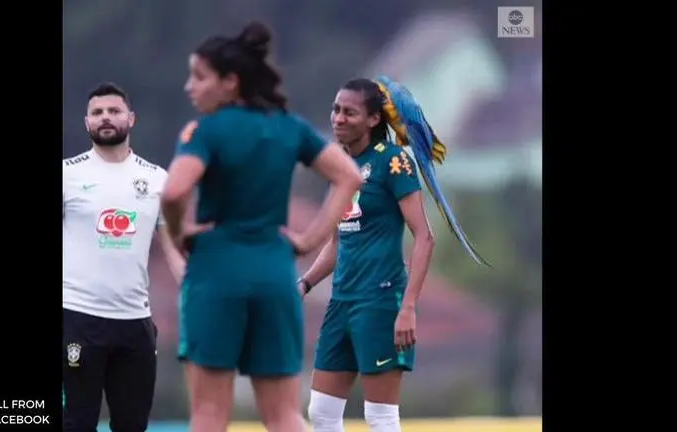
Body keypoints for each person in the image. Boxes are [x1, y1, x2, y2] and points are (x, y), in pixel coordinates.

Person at [160, 21, 364, 432]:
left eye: (199, 77)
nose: (190, 87)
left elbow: (174, 191)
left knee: (210, 414)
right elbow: (349, 177)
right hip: (274, 271)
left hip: (216, 272)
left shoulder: (206, 130)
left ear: (230, 82)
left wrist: (181, 233)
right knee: (285, 415)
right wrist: (309, 239)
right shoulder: (289, 126)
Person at [300, 77, 488, 432]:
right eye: (336, 110)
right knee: (321, 412)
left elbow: (424, 237)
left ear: (372, 120)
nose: (338, 118)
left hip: (381, 301)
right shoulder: (339, 166)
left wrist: (409, 307)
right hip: (342, 301)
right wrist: (305, 283)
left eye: (349, 112)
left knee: (380, 417)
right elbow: (339, 242)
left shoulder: (394, 161)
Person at [62, 82, 186, 432]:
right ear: (86, 123)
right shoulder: (68, 174)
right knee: (78, 422)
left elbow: (173, 247)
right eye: (97, 113)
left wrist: (192, 290)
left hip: (135, 322)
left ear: (131, 119)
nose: (105, 118)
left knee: (132, 424)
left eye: (114, 111)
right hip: (78, 317)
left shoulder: (157, 178)